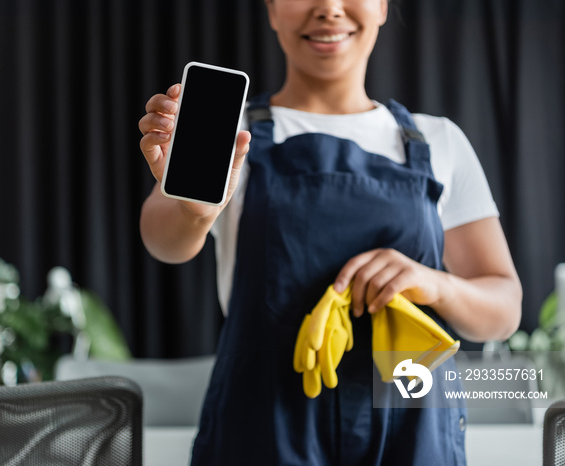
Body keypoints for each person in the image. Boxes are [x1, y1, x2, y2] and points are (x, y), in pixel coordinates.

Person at [138, 0, 522, 464]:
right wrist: (194, 212)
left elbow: (503, 310)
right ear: (273, 10)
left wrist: (433, 283)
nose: (329, 9)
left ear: (381, 7)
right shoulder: (229, 134)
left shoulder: (439, 141)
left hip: (411, 418)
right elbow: (163, 240)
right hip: (265, 426)